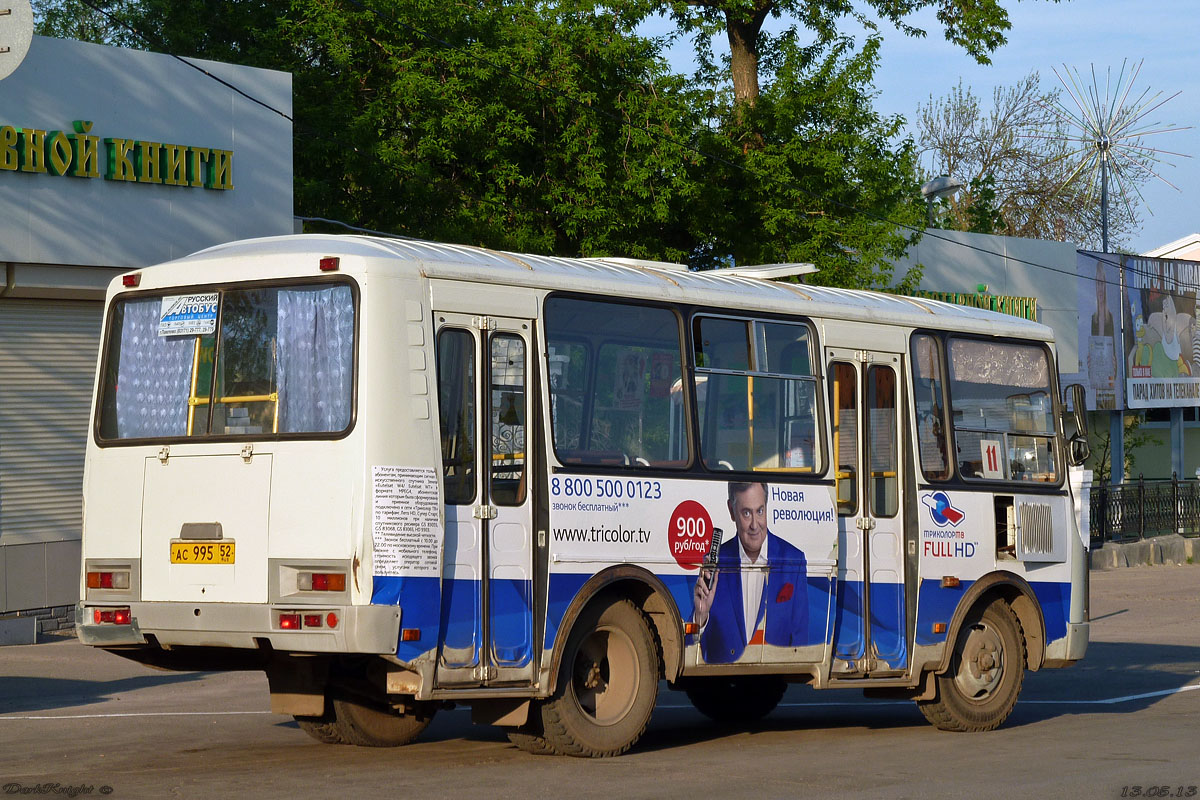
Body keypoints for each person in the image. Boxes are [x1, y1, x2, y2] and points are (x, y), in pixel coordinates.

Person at [691, 481, 808, 664]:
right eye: (746, 513)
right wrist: (701, 615)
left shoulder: (794, 560)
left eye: (760, 511)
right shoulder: (714, 564)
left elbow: (801, 637)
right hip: (722, 682)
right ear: (732, 511)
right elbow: (690, 643)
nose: (755, 525)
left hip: (773, 679)